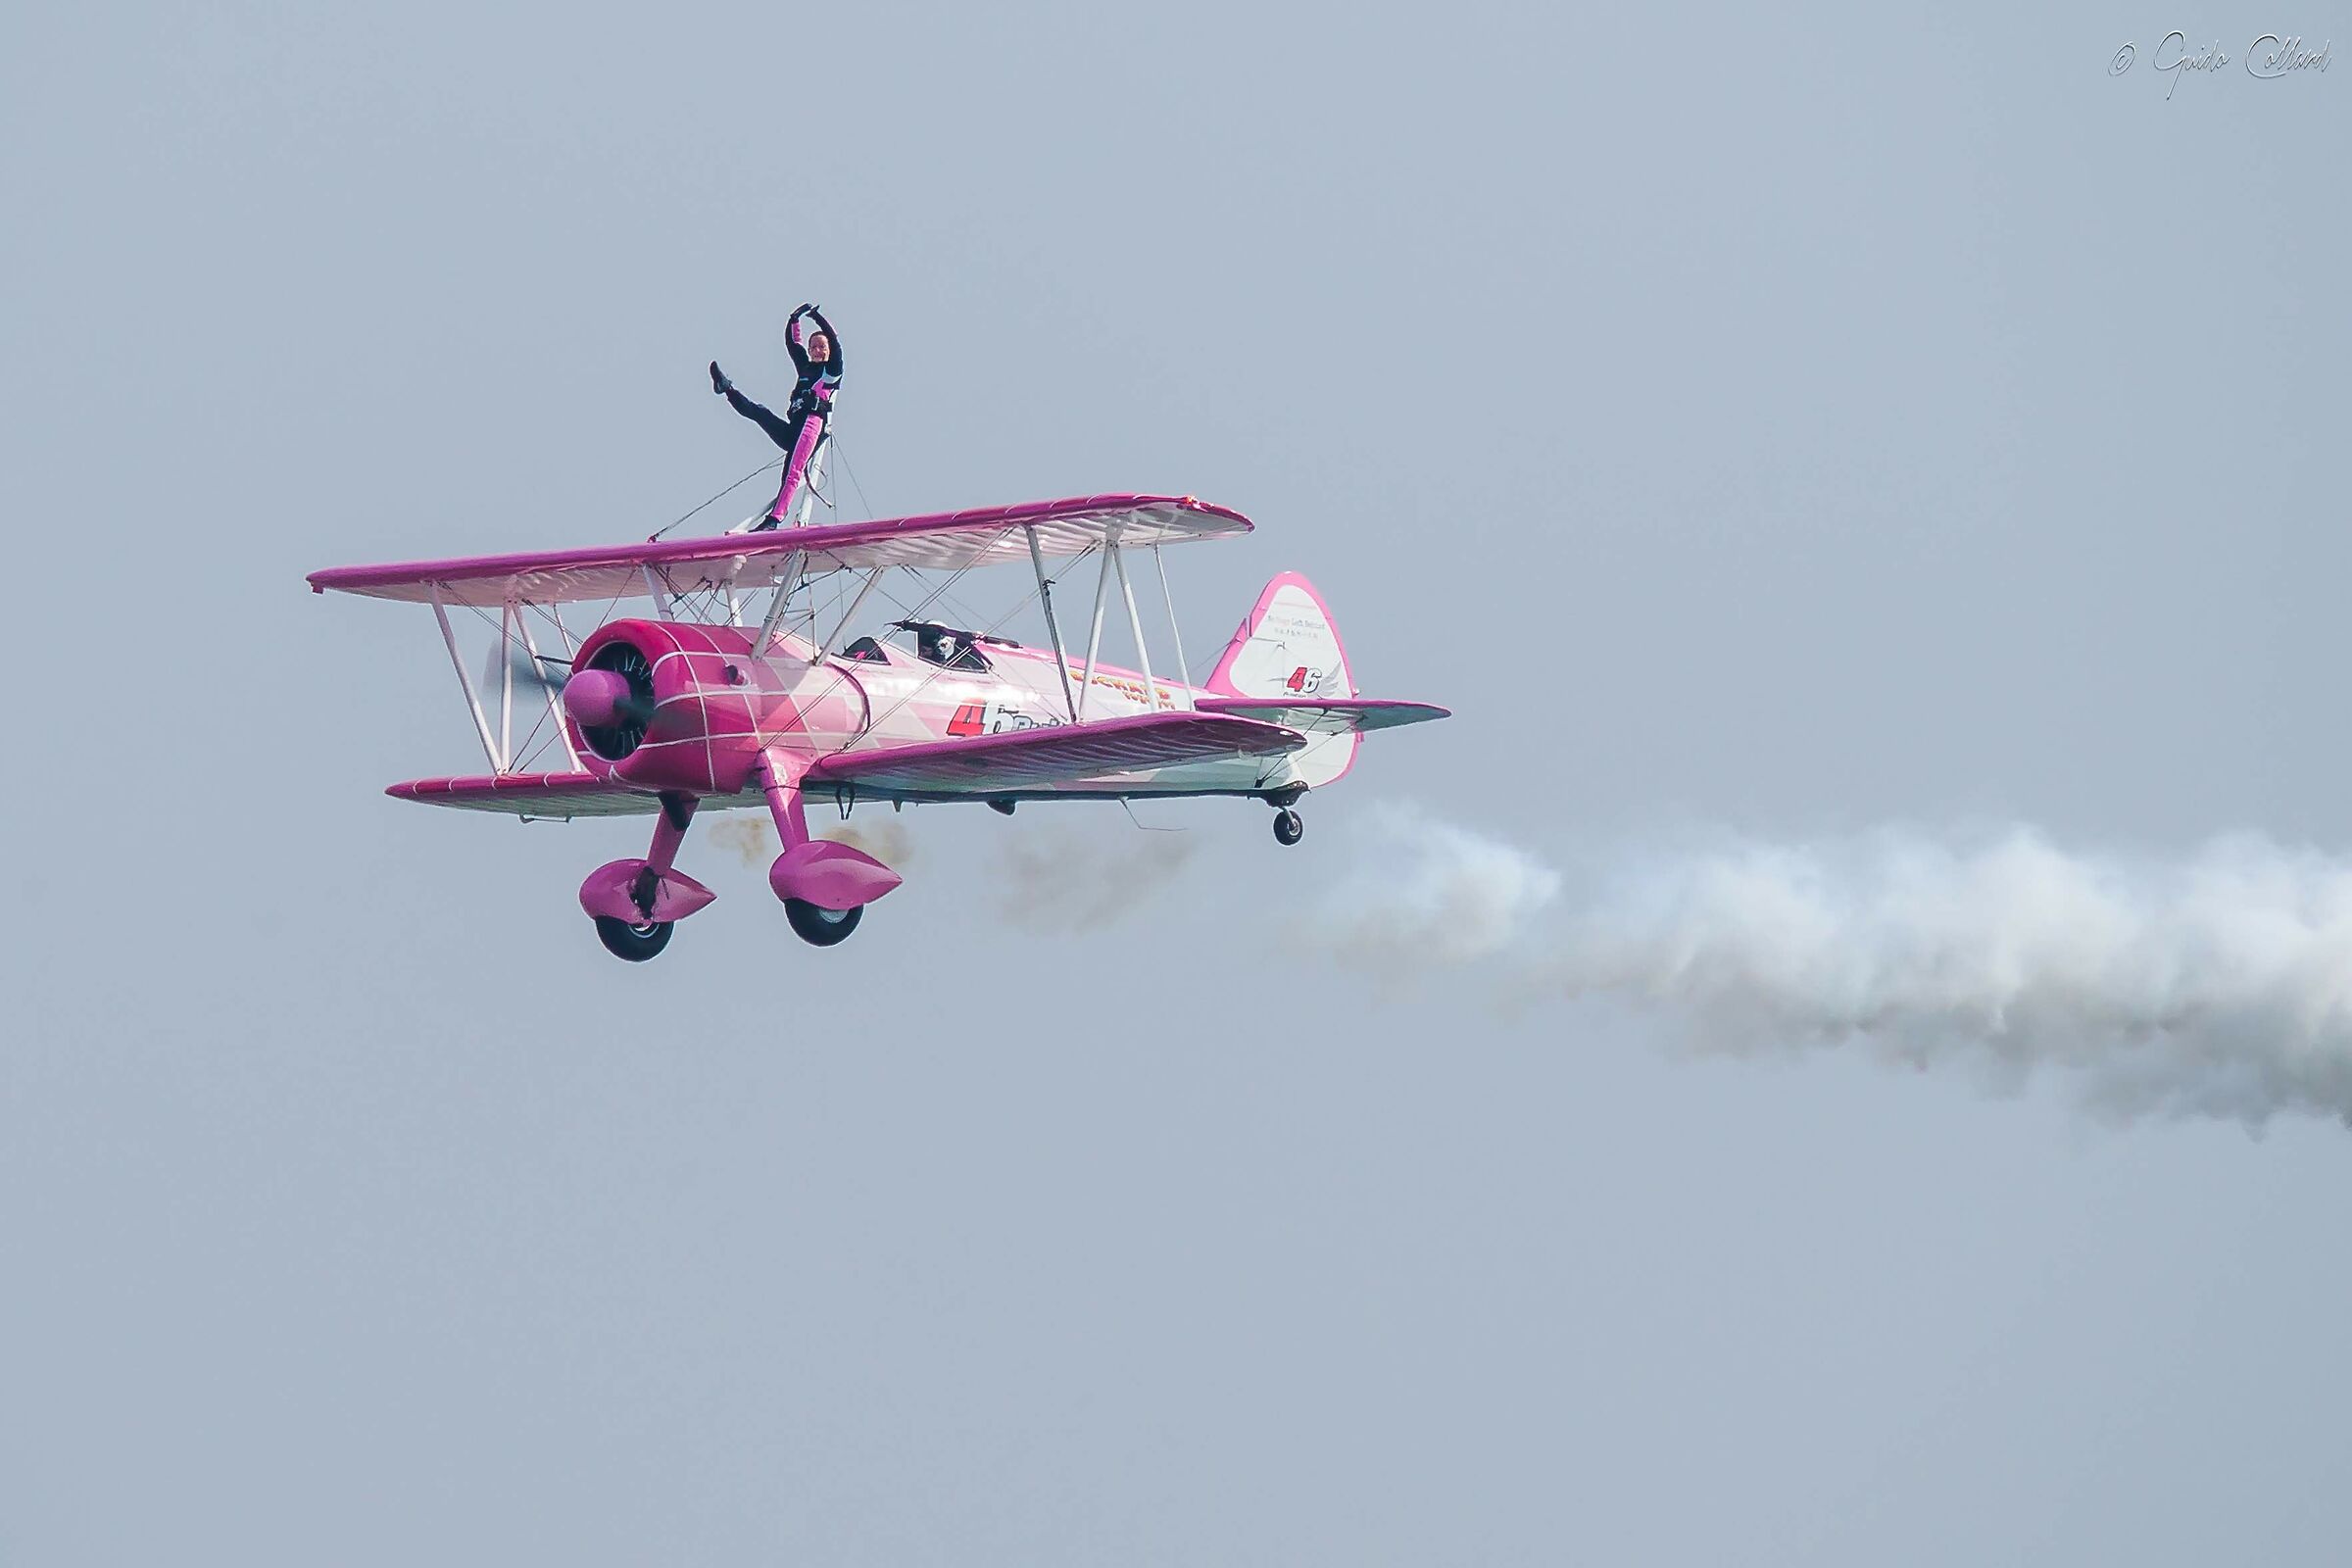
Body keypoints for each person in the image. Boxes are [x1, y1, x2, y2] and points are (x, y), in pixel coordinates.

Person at [710, 303, 843, 529]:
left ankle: (774, 520)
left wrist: (816, 317)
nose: (817, 350)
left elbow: (835, 342)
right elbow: (793, 344)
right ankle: (727, 389)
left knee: (792, 473)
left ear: (828, 350)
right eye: (813, 347)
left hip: (811, 427)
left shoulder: (831, 371)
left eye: (822, 347)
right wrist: (794, 319)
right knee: (759, 412)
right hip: (792, 431)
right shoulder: (805, 368)